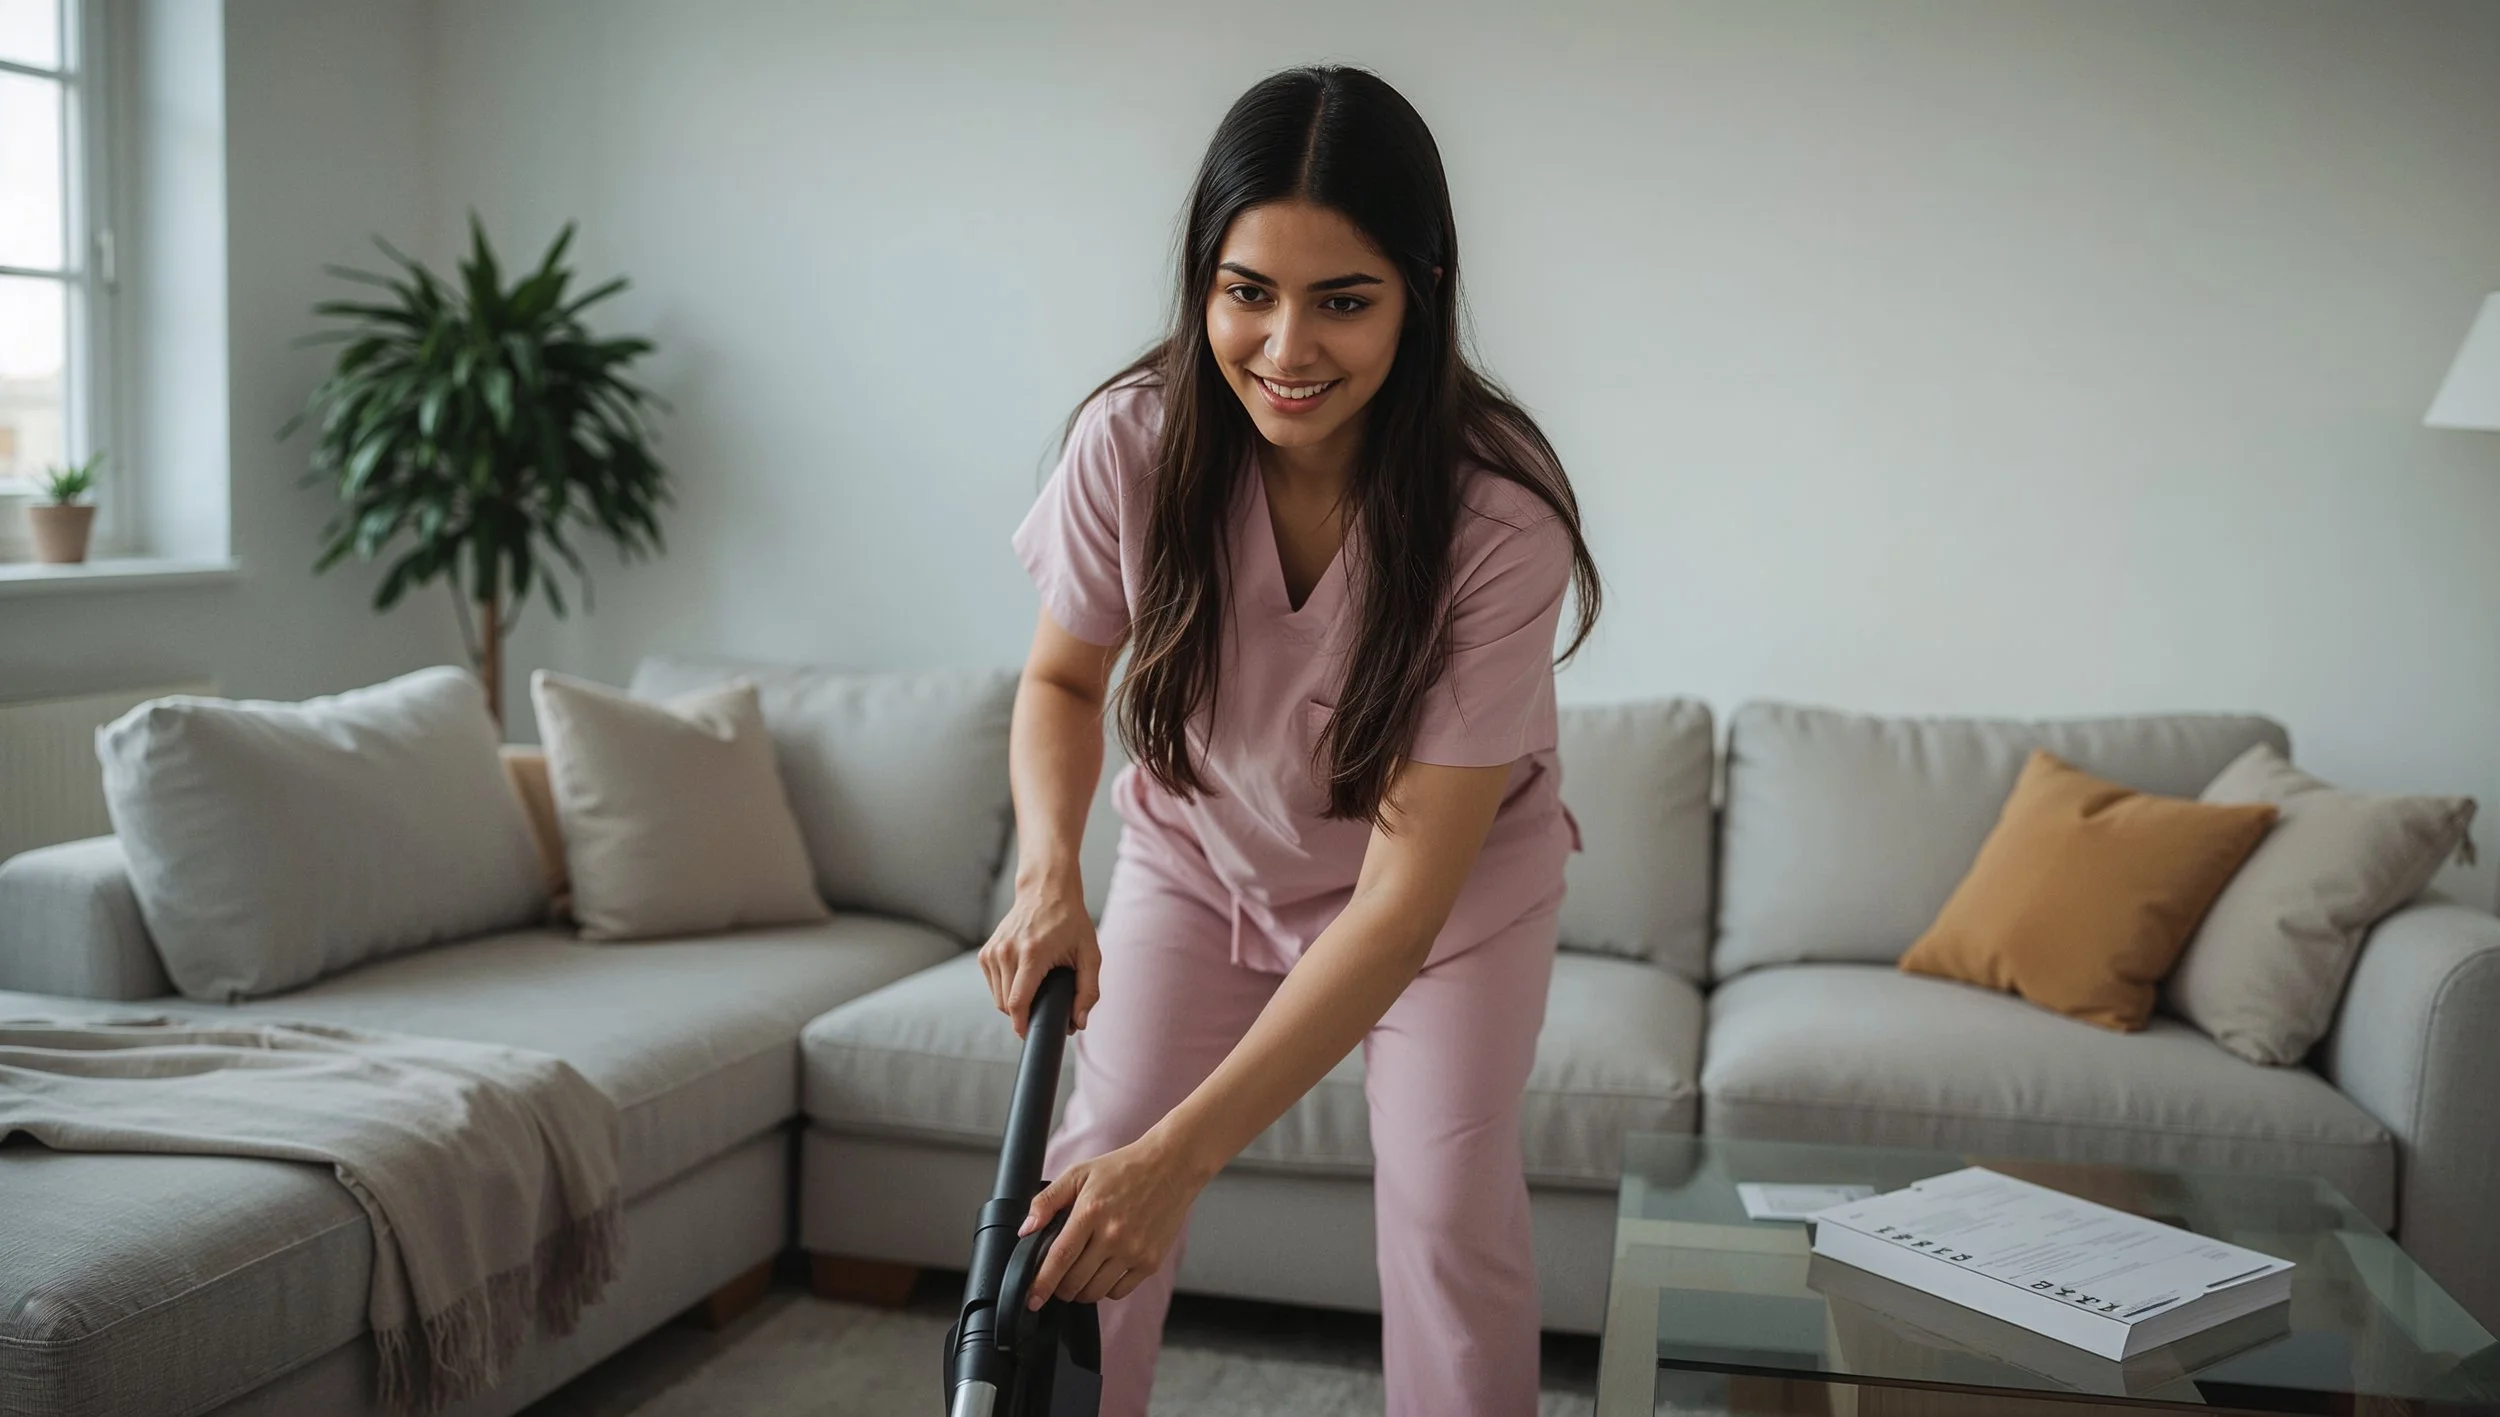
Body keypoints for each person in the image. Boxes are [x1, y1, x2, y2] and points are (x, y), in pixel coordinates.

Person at [982, 62, 1602, 1417]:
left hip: (1445, 905)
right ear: (1203, 280)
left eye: (1344, 300)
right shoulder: (1128, 444)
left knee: (1444, 1216)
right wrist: (1048, 874)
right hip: (1203, 859)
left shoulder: (1499, 522)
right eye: (1247, 291)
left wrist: (1182, 1159)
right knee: (1088, 1189)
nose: (1285, 347)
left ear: (1420, 294)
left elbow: (1393, 910)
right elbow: (1062, 687)